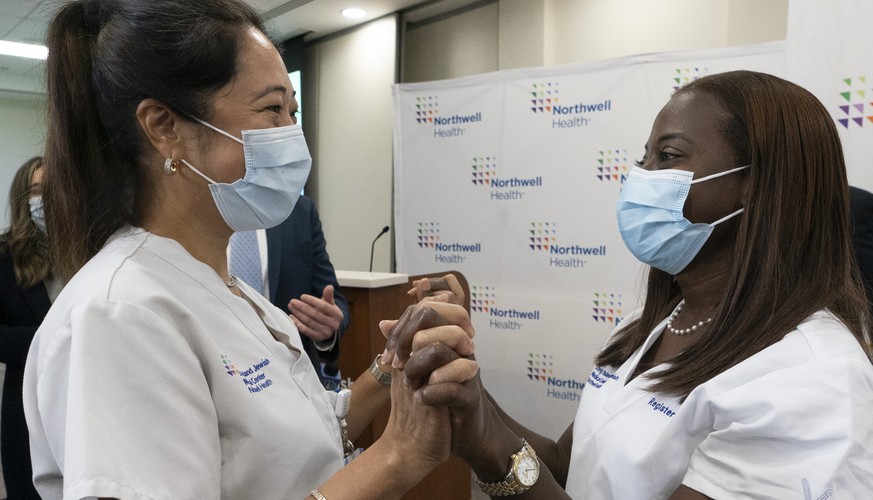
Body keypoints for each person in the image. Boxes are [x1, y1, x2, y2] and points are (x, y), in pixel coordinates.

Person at [23, 1, 476, 499]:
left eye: (293, 111)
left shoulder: (228, 290)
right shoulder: (120, 316)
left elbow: (298, 444)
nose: (292, 136)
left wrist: (394, 365)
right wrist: (397, 457)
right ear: (164, 127)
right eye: (271, 110)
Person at [389, 71, 873, 499]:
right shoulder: (651, 325)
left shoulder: (807, 376)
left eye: (668, 156)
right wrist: (469, 402)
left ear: (758, 183)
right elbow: (564, 467)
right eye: (645, 159)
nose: (641, 178)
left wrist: (490, 445)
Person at [228, 194, 351, 388]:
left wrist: (327, 329)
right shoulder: (187, 209)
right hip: (221, 375)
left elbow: (331, 297)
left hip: (295, 379)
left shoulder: (298, 209)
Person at [0, 156, 57, 499]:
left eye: (54, 189)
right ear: (23, 198)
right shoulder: (4, 257)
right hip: (26, 404)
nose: (47, 199)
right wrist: (51, 340)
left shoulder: (92, 249)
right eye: (37, 191)